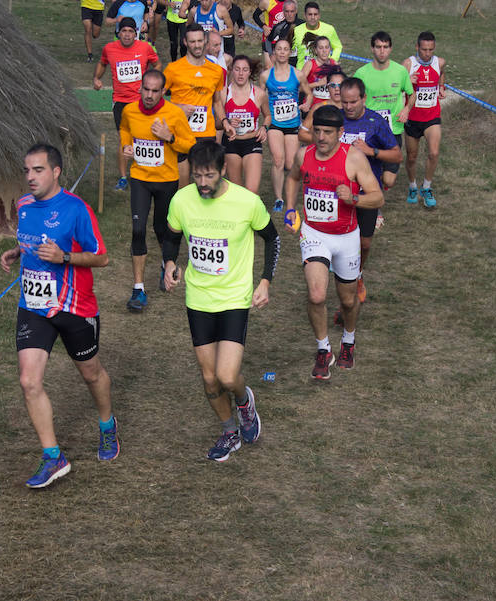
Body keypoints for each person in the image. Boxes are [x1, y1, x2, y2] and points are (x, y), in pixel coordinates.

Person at [0, 143, 118, 489]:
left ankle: (107, 426)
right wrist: (17, 251)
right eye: (26, 170)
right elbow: (33, 240)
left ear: (55, 172)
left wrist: (65, 257)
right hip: (33, 307)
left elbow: (102, 258)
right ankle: (53, 457)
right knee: (28, 381)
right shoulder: (23, 205)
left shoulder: (77, 210)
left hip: (75, 307)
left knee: (91, 375)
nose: (30, 177)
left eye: (37, 170)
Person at [161, 140, 280, 461]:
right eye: (197, 176)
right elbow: (171, 236)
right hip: (198, 299)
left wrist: (265, 281)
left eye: (209, 176)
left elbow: (272, 237)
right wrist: (170, 264)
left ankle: (245, 403)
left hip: (234, 298)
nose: (202, 183)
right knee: (210, 378)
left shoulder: (247, 203)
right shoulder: (181, 200)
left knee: (228, 376)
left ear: (223, 170)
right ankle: (229, 431)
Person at [283, 105, 384, 379]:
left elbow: (378, 197)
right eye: (317, 131)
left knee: (348, 301)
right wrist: (290, 208)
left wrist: (354, 199)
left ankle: (348, 341)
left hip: (346, 237)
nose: (321, 138)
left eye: (328, 132)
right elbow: (292, 178)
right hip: (314, 234)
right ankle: (323, 349)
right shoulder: (304, 155)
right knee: (316, 295)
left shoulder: (354, 159)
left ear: (341, 132)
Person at [119, 69, 197, 312]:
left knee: (162, 228)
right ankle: (138, 288)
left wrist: (169, 137)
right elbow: (124, 128)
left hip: (166, 180)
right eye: (146, 89)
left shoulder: (173, 113)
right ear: (140, 88)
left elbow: (190, 145)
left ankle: (167, 263)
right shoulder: (129, 110)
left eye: (155, 91)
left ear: (163, 91)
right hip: (140, 178)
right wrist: (126, 145)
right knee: (138, 229)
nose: (149, 95)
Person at [339, 76, 401, 304]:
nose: (348, 107)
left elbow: (397, 155)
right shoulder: (336, 120)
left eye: (353, 102)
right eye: (345, 102)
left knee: (364, 243)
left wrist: (371, 151)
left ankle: (358, 273)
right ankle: (345, 282)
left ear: (364, 98)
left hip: (367, 193)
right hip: (339, 193)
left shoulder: (375, 122)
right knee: (342, 242)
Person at [94, 17, 161, 192]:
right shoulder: (109, 49)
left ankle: (146, 172)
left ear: (136, 33)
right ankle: (123, 178)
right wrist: (96, 78)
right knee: (124, 140)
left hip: (142, 101)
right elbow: (102, 63)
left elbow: (157, 63)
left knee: (146, 137)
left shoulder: (145, 48)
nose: (127, 35)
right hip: (121, 102)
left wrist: (152, 83)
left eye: (130, 31)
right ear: (119, 32)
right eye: (124, 31)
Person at [163, 23, 233, 187]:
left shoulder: (216, 71)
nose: (196, 45)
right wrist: (178, 108)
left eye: (200, 41)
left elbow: (216, 102)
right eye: (192, 41)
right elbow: (156, 99)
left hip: (205, 133)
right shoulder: (173, 69)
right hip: (180, 132)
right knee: (183, 185)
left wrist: (224, 122)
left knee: (205, 183)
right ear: (185, 42)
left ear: (205, 42)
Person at [354, 31, 414, 189]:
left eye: (385, 47)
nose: (382, 51)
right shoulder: (361, 73)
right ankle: (375, 206)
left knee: (389, 180)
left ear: (391, 49)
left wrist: (407, 109)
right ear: (372, 49)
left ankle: (380, 183)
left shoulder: (400, 71)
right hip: (370, 130)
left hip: (393, 130)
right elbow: (354, 98)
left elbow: (411, 94)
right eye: (378, 47)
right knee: (368, 172)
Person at [260, 35, 311, 210]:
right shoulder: (266, 75)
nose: (282, 52)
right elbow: (260, 97)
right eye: (279, 49)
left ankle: (292, 187)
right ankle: (279, 198)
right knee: (277, 160)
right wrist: (265, 117)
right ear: (274, 52)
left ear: (290, 53)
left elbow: (309, 92)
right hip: (274, 123)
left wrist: (307, 104)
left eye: (285, 49)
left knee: (290, 164)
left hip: (292, 124)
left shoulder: (297, 74)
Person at [403, 31, 446, 208]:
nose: (427, 53)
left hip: (432, 117)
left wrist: (441, 86)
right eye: (424, 50)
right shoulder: (407, 64)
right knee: (412, 157)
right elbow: (397, 87)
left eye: (430, 50)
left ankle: (427, 187)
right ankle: (413, 186)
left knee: (434, 153)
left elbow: (441, 72)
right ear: (417, 47)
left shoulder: (440, 62)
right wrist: (407, 80)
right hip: (412, 118)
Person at [221, 55, 269, 193]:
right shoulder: (224, 93)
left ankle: (254, 214)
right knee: (236, 191)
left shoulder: (259, 94)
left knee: (251, 191)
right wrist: (227, 122)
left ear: (250, 72)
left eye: (244, 70)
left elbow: (268, 116)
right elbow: (217, 121)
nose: (241, 73)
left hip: (252, 142)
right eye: (237, 69)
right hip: (231, 142)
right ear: (231, 71)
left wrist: (264, 128)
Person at [298, 64, 344, 144]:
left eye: (340, 85)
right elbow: (302, 134)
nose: (337, 89)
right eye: (332, 85)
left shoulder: (351, 109)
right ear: (327, 87)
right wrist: (325, 142)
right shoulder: (318, 108)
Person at [291, 2, 341, 71]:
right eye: (310, 14)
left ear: (319, 15)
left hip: (323, 71)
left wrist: (332, 62)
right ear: (305, 16)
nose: (313, 17)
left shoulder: (329, 29)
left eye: (315, 14)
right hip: (302, 72)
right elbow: (290, 49)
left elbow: (338, 47)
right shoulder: (296, 31)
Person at [262, 0, 302, 68]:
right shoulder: (279, 27)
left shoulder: (303, 25)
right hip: (284, 64)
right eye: (287, 11)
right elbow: (267, 42)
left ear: (296, 11)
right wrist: (271, 54)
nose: (289, 14)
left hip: (301, 63)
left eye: (292, 11)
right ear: (283, 12)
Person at [300, 34, 337, 109]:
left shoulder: (334, 64)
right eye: (321, 48)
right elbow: (299, 88)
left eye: (327, 47)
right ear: (316, 50)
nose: (324, 51)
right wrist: (318, 83)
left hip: (330, 107)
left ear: (330, 49)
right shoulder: (310, 65)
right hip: (312, 107)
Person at [254, 0, 288, 67]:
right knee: (269, 67)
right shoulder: (266, 2)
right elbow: (255, 15)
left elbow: (294, 18)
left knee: (283, 67)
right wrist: (263, 26)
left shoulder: (291, 2)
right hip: (269, 39)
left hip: (284, 39)